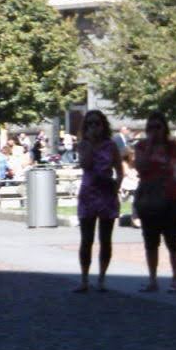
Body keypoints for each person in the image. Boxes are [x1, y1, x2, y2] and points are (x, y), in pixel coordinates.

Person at [132, 112, 176, 293]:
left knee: (173, 241)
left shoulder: (172, 146)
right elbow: (140, 166)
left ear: (165, 128)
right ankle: (153, 279)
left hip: (171, 197)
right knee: (150, 242)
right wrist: (151, 148)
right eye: (150, 127)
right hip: (149, 197)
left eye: (158, 127)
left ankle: (175, 279)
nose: (154, 131)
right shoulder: (142, 146)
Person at [73, 110, 123, 293]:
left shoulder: (111, 145)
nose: (94, 127)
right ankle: (84, 279)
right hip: (88, 194)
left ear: (104, 126)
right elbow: (85, 164)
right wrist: (91, 145)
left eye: (97, 124)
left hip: (106, 193)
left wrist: (116, 187)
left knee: (105, 239)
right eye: (90, 124)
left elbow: (120, 169)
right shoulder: (83, 145)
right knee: (86, 239)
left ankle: (101, 278)